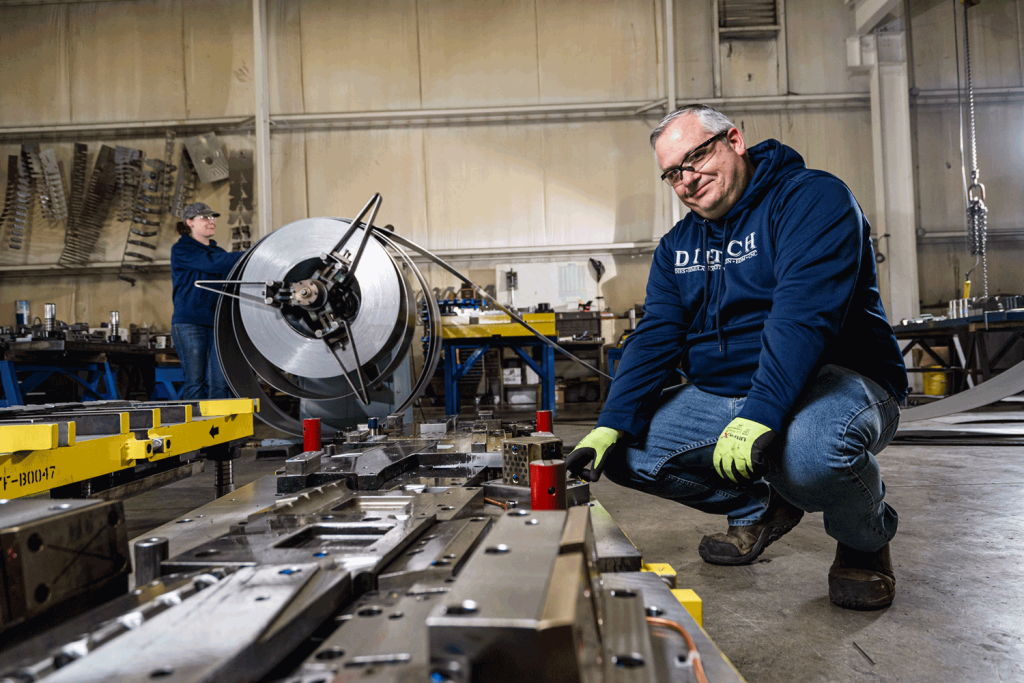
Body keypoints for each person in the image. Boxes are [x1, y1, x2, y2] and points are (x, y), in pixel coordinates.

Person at [566, 104, 908, 610]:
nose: (686, 179)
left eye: (696, 157)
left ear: (734, 140)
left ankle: (864, 541)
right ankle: (761, 507)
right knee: (627, 453)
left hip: (836, 381)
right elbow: (657, 335)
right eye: (671, 173)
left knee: (814, 457)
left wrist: (760, 415)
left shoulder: (812, 200)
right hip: (726, 392)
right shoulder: (677, 246)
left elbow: (802, 319)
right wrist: (611, 422)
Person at [170, 202, 244, 400]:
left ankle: (218, 428)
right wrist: (251, 253)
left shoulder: (217, 252)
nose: (211, 222)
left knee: (219, 382)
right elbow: (212, 263)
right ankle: (195, 428)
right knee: (195, 382)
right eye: (205, 218)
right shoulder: (182, 250)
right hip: (189, 323)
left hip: (216, 324)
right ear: (190, 222)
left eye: (213, 218)